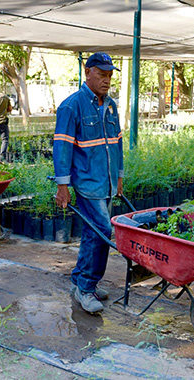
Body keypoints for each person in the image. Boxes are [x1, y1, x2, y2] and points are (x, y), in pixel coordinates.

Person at [53, 52, 124, 314]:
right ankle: (86, 288)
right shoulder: (72, 106)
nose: (106, 80)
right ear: (88, 73)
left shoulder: (111, 105)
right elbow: (62, 148)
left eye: (109, 76)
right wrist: (63, 186)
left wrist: (118, 176)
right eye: (102, 75)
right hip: (86, 182)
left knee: (92, 233)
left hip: (105, 180)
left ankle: (81, 280)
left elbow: (117, 144)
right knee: (102, 231)